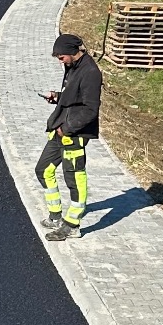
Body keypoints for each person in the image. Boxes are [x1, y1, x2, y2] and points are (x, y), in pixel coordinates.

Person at [35, 32, 101, 241]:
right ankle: (55, 216)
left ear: (73, 52)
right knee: (43, 170)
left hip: (75, 133)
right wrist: (57, 97)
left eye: (61, 57)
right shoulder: (72, 67)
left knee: (74, 178)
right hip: (60, 128)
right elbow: (74, 97)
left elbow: (91, 109)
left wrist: (68, 128)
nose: (59, 61)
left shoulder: (91, 72)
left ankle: (72, 225)